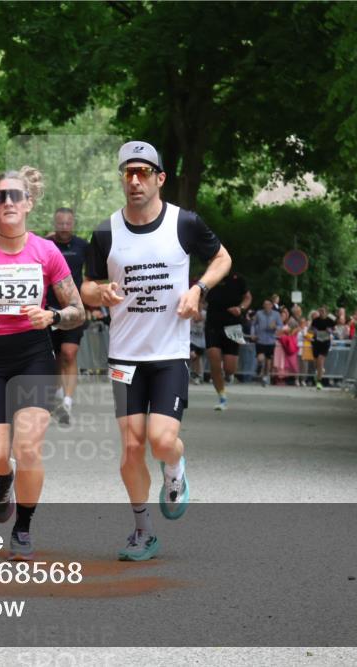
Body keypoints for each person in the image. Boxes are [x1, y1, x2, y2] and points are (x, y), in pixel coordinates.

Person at [82, 141, 231, 561]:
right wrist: (100, 291)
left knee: (162, 441)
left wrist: (199, 289)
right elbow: (86, 287)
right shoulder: (105, 232)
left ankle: (174, 470)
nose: (134, 181)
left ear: (159, 178)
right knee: (130, 448)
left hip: (168, 355)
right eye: (128, 173)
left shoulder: (184, 223)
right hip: (124, 357)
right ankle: (142, 531)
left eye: (143, 173)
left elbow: (222, 258)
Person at [0, 166, 84, 560]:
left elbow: (77, 310)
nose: (7, 202)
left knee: (28, 446)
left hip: (33, 356)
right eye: (0, 196)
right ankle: (2, 479)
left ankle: (22, 527)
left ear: (29, 204)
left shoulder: (46, 251)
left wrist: (52, 317)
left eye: (15, 196)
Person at [47, 207, 90, 425]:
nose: (64, 227)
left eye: (68, 223)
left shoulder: (83, 246)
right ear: (55, 224)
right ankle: (56, 393)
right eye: (60, 223)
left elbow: (92, 275)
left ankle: (67, 400)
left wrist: (92, 301)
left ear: (73, 224)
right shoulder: (46, 245)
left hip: (74, 309)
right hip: (49, 310)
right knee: (55, 356)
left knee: (69, 353)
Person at [204, 273, 251, 410]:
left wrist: (240, 308)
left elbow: (248, 297)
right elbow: (200, 298)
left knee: (230, 369)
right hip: (213, 325)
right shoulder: (208, 277)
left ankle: (228, 376)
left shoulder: (238, 280)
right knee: (214, 361)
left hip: (233, 326)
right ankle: (222, 396)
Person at [252, 299, 283, 387]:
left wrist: (275, 327)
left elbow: (281, 325)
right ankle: (259, 365)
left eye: (269, 304)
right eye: (265, 304)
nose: (267, 306)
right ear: (263, 306)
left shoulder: (276, 314)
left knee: (268, 360)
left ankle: (265, 377)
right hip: (260, 339)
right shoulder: (259, 313)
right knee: (260, 358)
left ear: (271, 306)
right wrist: (253, 334)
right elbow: (253, 324)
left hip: (271, 340)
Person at [310, 306, 334, 390]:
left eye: (323, 311)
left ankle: (319, 382)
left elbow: (333, 330)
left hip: (325, 342)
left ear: (326, 312)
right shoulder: (315, 320)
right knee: (316, 363)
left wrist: (329, 331)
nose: (321, 313)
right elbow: (311, 329)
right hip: (317, 342)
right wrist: (315, 331)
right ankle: (319, 372)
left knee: (320, 360)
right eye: (320, 311)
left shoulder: (330, 320)